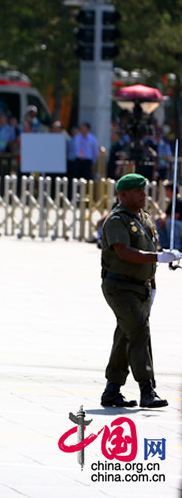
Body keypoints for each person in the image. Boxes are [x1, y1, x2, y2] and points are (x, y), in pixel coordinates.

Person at [99, 173, 182, 408]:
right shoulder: (117, 220)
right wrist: (158, 256)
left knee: (126, 334)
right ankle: (147, 390)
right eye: (138, 191)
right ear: (122, 195)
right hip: (120, 286)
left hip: (141, 287)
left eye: (144, 190)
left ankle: (112, 390)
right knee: (139, 332)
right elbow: (123, 252)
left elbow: (147, 255)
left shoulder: (144, 218)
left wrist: (153, 287)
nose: (143, 195)